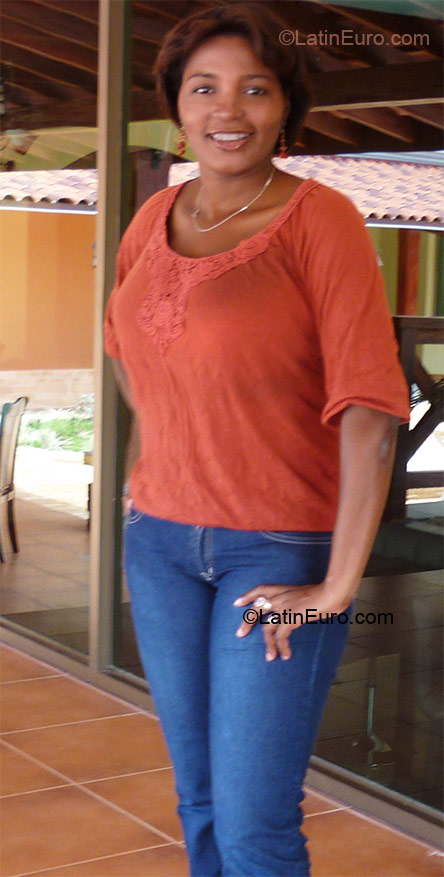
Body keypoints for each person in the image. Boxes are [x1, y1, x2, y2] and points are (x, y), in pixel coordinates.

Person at [104, 5, 410, 875]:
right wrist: (148, 461)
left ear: (284, 109)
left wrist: (337, 587)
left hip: (276, 550)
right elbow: (126, 347)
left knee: (251, 825)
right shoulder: (153, 216)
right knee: (199, 798)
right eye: (204, 88)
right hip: (160, 544)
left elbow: (370, 409)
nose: (227, 110)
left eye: (255, 89)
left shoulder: (322, 220)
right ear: (178, 106)